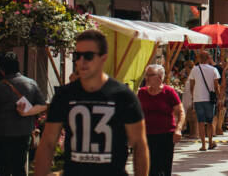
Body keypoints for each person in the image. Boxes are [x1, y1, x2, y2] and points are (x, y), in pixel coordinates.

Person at [36, 30, 147, 176]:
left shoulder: (123, 96)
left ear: (103, 58)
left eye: (88, 56)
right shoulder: (64, 95)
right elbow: (48, 142)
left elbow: (139, 144)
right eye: (77, 56)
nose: (81, 61)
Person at [0, 51, 47, 176]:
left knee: (3, 169)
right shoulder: (31, 83)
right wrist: (26, 113)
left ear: (2, 69)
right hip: (23, 134)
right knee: (19, 168)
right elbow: (42, 105)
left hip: (1, 135)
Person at [137, 64, 184, 176]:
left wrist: (178, 129)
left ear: (159, 77)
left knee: (164, 169)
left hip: (166, 136)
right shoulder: (142, 93)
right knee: (150, 169)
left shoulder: (169, 92)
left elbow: (181, 112)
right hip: (146, 136)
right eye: (146, 75)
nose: (146, 78)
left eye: (150, 75)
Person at [188, 50, 220, 151]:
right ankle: (210, 142)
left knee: (200, 122)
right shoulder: (213, 69)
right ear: (208, 58)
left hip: (198, 99)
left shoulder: (194, 69)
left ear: (199, 59)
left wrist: (193, 96)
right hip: (209, 99)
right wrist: (218, 97)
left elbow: (191, 85)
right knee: (210, 122)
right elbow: (216, 86)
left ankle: (203, 145)